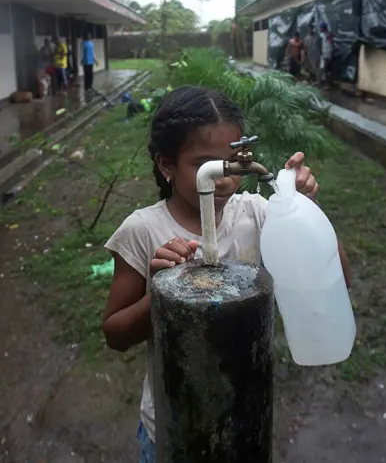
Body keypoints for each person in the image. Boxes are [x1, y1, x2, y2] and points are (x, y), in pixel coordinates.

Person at [101, 86, 352, 462]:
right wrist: (161, 295)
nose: (224, 178)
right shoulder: (143, 231)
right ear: (166, 164)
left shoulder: (257, 215)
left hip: (246, 416)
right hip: (172, 422)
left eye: (233, 162)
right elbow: (115, 334)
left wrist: (306, 210)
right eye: (206, 164)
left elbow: (338, 276)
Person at [319, 22, 335, 87]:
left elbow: (332, 44)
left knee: (328, 69)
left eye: (320, 27)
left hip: (329, 53)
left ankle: (329, 84)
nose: (320, 29)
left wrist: (332, 54)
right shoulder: (321, 35)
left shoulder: (329, 34)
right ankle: (328, 83)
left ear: (323, 28)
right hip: (324, 54)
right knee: (325, 69)